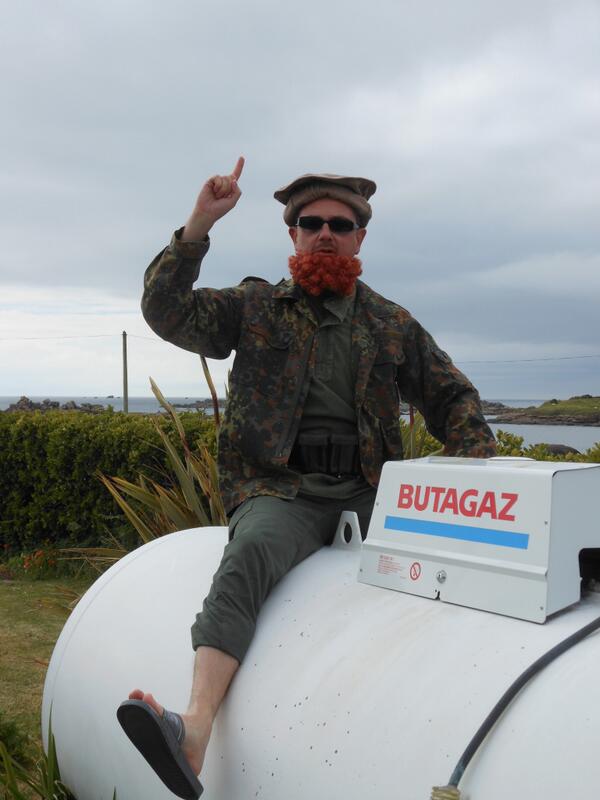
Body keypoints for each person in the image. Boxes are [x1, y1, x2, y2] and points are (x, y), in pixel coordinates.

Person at [117, 157, 496, 799]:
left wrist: (480, 473)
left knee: (448, 559)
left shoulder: (391, 323)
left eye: (340, 225)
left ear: (359, 238)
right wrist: (199, 225)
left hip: (370, 491)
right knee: (251, 552)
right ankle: (195, 729)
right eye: (312, 223)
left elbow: (451, 396)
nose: (326, 233)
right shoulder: (255, 307)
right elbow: (165, 311)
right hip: (279, 490)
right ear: (292, 234)